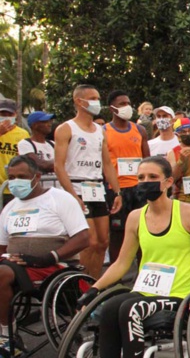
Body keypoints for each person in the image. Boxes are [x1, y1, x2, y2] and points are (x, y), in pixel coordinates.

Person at [74, 156, 190, 358]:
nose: (144, 183)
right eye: (140, 178)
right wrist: (94, 288)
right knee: (110, 307)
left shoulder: (187, 213)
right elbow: (121, 262)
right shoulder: (135, 217)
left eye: (152, 177)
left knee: (129, 309)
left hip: (177, 295)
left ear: (167, 182)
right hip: (145, 290)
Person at [0, 156, 90, 358]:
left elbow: (84, 238)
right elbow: (2, 246)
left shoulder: (60, 199)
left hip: (52, 265)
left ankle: (6, 336)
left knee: (2, 273)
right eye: (11, 177)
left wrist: (48, 257)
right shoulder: (10, 207)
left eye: (21, 177)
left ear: (37, 177)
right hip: (16, 265)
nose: (15, 182)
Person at [54, 84, 122, 279]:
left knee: (102, 242)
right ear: (79, 101)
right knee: (88, 241)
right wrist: (73, 196)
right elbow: (58, 166)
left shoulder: (100, 130)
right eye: (92, 98)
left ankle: (94, 283)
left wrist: (117, 192)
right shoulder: (66, 128)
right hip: (76, 186)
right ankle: (79, 285)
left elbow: (107, 163)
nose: (96, 102)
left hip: (97, 188)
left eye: (98, 98)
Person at [104, 90, 151, 265]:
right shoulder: (103, 131)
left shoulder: (139, 130)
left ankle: (142, 272)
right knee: (117, 234)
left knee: (142, 231)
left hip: (138, 189)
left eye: (128, 103)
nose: (127, 107)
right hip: (116, 189)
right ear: (112, 108)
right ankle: (116, 278)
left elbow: (147, 160)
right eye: (122, 103)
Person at [0, 100, 30, 205]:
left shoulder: (23, 134)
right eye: (3, 114)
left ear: (15, 115)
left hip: (14, 187)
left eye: (10, 114)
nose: (6, 117)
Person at [18, 111, 57, 190]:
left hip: (56, 189)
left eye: (50, 121)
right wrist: (60, 163)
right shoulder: (25, 144)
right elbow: (41, 165)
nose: (49, 124)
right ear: (34, 125)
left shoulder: (52, 144)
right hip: (39, 190)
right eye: (45, 122)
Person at [167, 118, 190, 205]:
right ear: (177, 135)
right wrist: (181, 161)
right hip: (181, 197)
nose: (187, 133)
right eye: (183, 132)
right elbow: (172, 178)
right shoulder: (172, 152)